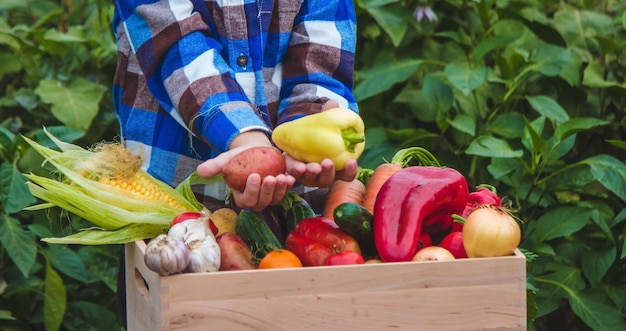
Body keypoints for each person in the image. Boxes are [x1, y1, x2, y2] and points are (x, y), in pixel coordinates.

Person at [111, 0, 360, 326]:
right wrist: (248, 141)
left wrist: (309, 135)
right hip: (171, 229)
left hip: (292, 234)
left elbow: (321, 60)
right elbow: (177, 43)